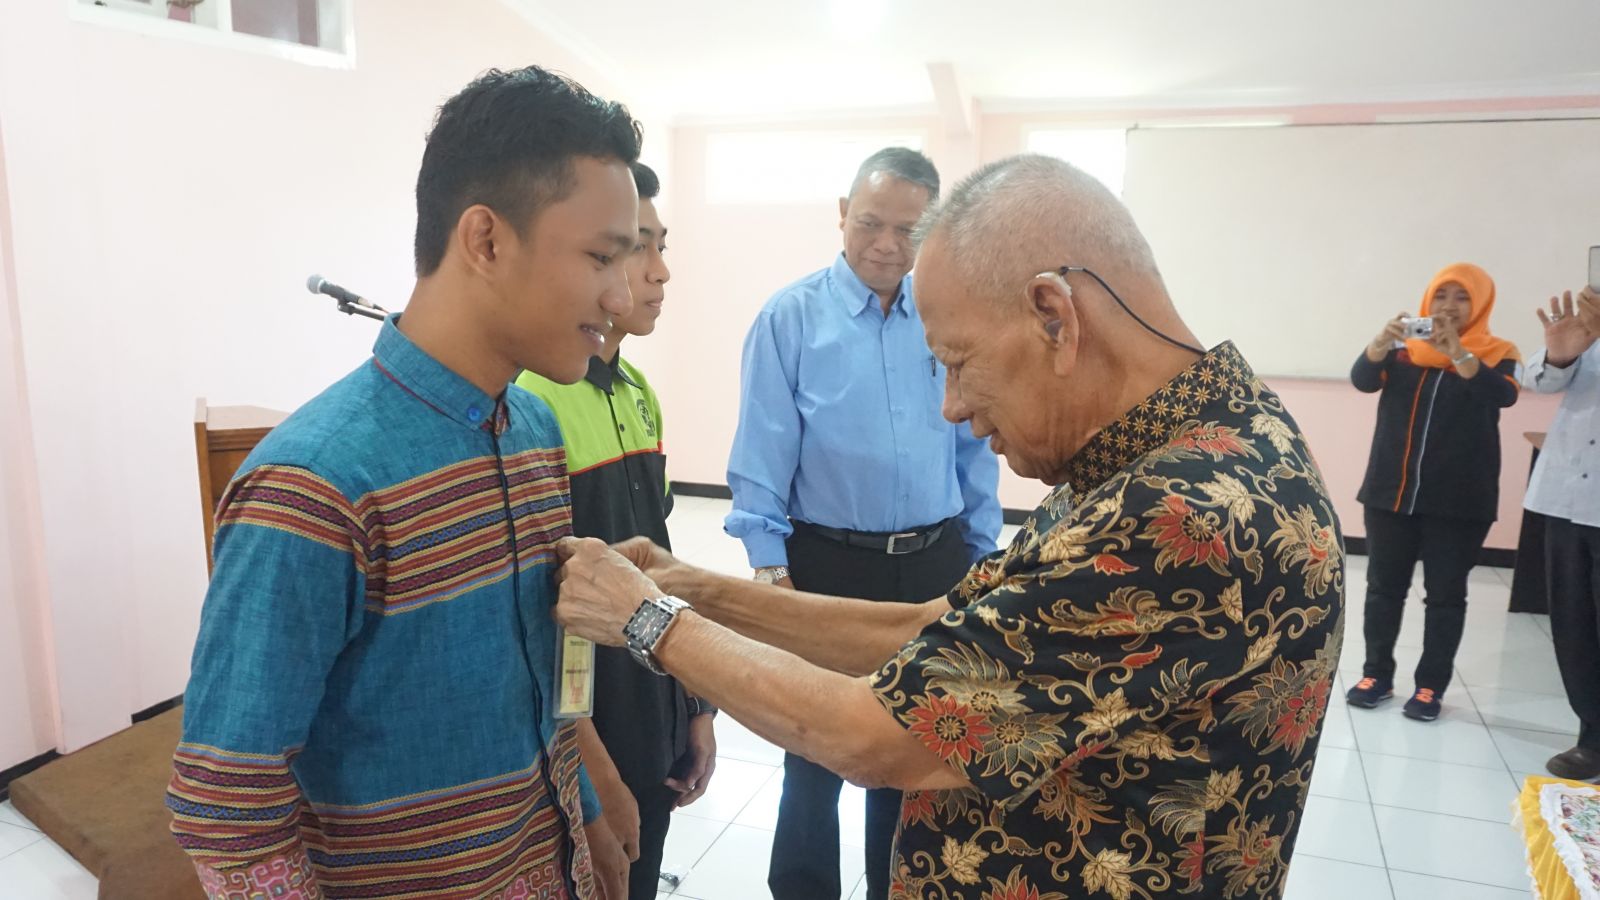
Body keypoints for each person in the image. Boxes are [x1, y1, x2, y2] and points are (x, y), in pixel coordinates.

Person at [555, 154, 1344, 900]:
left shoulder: (1181, 514)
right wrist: (696, 588)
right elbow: (936, 631)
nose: (953, 408)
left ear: (1054, 318)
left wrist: (647, 618)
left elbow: (874, 735)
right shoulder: (1170, 447)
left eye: (958, 362)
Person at [167, 66, 643, 899]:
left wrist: (589, 807)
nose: (622, 293)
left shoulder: (531, 432)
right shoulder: (313, 486)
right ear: (487, 240)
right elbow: (228, 807)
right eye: (603, 256)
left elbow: (553, 661)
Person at [723, 146, 1002, 900]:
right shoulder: (791, 318)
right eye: (871, 222)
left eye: (908, 229)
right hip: (826, 566)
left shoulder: (947, 318)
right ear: (843, 215)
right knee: (812, 750)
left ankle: (898, 887)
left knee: (913, 751)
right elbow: (762, 450)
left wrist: (983, 552)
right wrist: (768, 564)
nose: (887, 243)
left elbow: (974, 443)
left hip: (935, 563)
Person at [515, 162, 718, 900]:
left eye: (662, 247)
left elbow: (658, 568)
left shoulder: (638, 395)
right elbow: (546, 616)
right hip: (584, 722)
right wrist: (588, 763)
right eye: (637, 247)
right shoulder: (532, 404)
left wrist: (694, 703)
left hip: (651, 697)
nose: (660, 272)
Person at [1344, 264, 1521, 721]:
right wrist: (1381, 342)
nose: (1449, 305)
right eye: (1441, 294)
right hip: (1391, 491)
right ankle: (1376, 675)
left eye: (1462, 297)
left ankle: (1429, 687)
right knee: (1383, 588)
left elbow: (1501, 396)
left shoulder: (1498, 352)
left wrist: (1459, 353)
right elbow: (1363, 379)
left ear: (1479, 304)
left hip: (1459, 500)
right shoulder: (1404, 350)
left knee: (1445, 595)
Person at [1524, 286, 1600, 779]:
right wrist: (1561, 352)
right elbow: (1539, 380)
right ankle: (1592, 735)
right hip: (1569, 497)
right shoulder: (1589, 324)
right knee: (1573, 623)